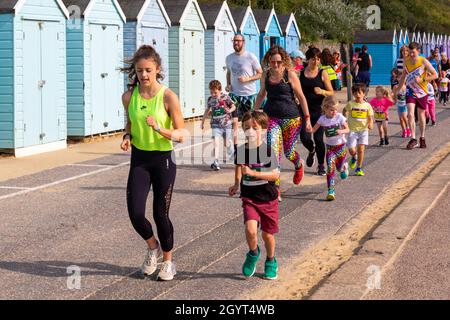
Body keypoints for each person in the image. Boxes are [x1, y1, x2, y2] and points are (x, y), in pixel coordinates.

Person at [120, 45, 185, 281]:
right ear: (134, 72)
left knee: (160, 214)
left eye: (148, 70)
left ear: (157, 69)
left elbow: (181, 133)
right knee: (135, 213)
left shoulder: (168, 96)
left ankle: (168, 261)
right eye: (139, 71)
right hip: (139, 159)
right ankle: (152, 247)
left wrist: (159, 128)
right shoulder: (129, 97)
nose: (144, 75)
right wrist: (127, 137)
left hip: (163, 160)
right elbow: (129, 124)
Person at [255, 45, 312, 201]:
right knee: (273, 152)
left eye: (279, 62)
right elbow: (261, 95)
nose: (276, 65)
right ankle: (276, 189)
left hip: (291, 119)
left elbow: (301, 97)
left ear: (284, 61)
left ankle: (298, 164)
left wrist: (307, 119)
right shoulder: (265, 76)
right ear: (269, 61)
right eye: (273, 62)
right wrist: (253, 113)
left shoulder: (290, 75)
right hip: (271, 117)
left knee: (288, 152)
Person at [228, 111, 280, 280]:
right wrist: (236, 184)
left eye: (254, 128)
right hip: (249, 197)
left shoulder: (267, 150)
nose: (250, 131)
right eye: (246, 128)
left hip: (268, 198)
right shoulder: (242, 150)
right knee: (251, 230)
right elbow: (239, 167)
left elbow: (275, 175)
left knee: (267, 235)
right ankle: (253, 253)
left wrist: (254, 174)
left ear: (263, 129)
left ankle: (271, 260)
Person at [394, 42, 438, 150]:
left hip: (422, 91)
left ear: (418, 51)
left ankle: (422, 137)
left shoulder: (423, 61)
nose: (411, 54)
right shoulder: (406, 61)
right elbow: (404, 76)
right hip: (410, 90)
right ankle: (413, 138)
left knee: (421, 115)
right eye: (410, 52)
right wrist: (396, 91)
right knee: (410, 113)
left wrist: (423, 79)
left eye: (413, 52)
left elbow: (435, 75)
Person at [299, 46, 334, 176]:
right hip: (303, 110)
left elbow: (332, 93)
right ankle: (311, 149)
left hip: (318, 111)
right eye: (313, 59)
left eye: (318, 59)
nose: (315, 61)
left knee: (319, 139)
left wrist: (322, 91)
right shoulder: (301, 74)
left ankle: (320, 165)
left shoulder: (322, 73)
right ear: (308, 59)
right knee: (304, 137)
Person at [226, 34, 263, 146]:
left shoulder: (250, 57)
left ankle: (251, 145)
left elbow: (260, 73)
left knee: (248, 123)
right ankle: (236, 148)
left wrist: (248, 78)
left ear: (243, 42)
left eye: (238, 41)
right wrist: (228, 84)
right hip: (234, 95)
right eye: (234, 41)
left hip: (248, 95)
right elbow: (228, 72)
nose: (236, 43)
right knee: (234, 122)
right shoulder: (229, 57)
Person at [311, 96, 349, 201]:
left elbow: (348, 129)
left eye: (336, 109)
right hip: (330, 148)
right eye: (332, 110)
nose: (334, 112)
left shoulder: (340, 117)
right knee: (330, 169)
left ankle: (344, 167)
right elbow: (314, 129)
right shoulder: (322, 119)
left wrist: (341, 131)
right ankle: (331, 191)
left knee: (339, 167)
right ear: (325, 109)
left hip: (341, 147)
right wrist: (308, 129)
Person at [201, 80, 236, 171]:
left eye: (215, 92)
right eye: (211, 92)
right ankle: (216, 162)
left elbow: (233, 106)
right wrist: (202, 121)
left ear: (220, 90)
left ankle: (233, 156)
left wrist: (230, 110)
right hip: (215, 125)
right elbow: (207, 110)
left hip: (226, 124)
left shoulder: (225, 97)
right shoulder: (210, 99)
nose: (213, 94)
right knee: (216, 143)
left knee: (227, 143)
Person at [342, 83, 374, 176]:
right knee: (351, 150)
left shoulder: (367, 105)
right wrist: (344, 120)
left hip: (363, 130)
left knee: (361, 149)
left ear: (364, 94)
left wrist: (371, 123)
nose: (357, 94)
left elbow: (370, 116)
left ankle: (359, 168)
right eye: (355, 92)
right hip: (352, 130)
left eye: (359, 92)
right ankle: (354, 157)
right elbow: (344, 110)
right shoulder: (350, 104)